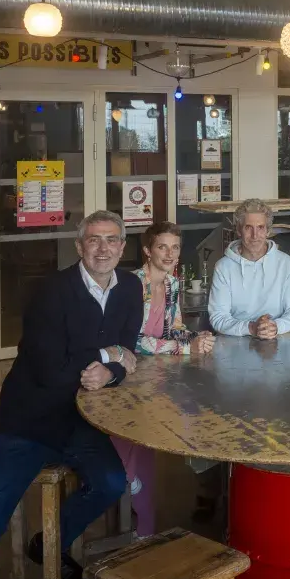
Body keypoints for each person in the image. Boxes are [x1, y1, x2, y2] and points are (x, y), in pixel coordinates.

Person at [0, 210, 142, 579]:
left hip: (80, 419)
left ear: (122, 246)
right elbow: (52, 371)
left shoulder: (130, 287)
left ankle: (48, 543)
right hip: (28, 422)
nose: (103, 248)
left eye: (112, 239)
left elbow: (128, 350)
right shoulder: (51, 291)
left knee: (112, 483)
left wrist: (112, 370)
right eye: (94, 240)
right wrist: (106, 358)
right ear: (79, 245)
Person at [108, 222, 215, 537]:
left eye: (176, 247)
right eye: (162, 247)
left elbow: (174, 327)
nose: (170, 254)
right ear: (147, 250)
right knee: (132, 440)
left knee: (157, 439)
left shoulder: (172, 284)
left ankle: (144, 523)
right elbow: (134, 340)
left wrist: (197, 338)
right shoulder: (130, 284)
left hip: (156, 376)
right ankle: (129, 510)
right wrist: (184, 348)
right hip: (127, 374)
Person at [208, 199, 290, 338]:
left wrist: (275, 326)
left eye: (260, 227)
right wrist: (251, 328)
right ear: (239, 230)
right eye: (248, 227)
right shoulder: (223, 267)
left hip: (277, 341)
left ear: (268, 231)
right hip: (235, 345)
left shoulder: (285, 263)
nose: (255, 235)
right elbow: (218, 317)